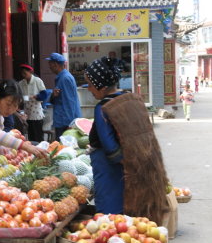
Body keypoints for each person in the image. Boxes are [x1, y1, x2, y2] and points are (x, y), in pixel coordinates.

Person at [85, 56, 168, 225]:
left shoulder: (103, 107)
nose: (89, 89)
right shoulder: (131, 99)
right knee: (130, 218)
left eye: (91, 84)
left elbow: (111, 149)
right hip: (137, 168)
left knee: (110, 219)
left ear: (101, 86)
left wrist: (98, 149)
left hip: (110, 172)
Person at [46, 53, 81, 141]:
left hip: (64, 122)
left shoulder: (65, 78)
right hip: (62, 120)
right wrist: (53, 95)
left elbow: (70, 102)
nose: (49, 66)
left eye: (50, 63)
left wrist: (70, 124)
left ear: (55, 64)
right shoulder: (62, 77)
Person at [18, 64, 47, 142]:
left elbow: (44, 94)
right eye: (22, 73)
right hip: (27, 111)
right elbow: (19, 96)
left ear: (30, 72)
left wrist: (36, 97)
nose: (24, 75)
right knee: (30, 133)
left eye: (25, 73)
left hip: (36, 110)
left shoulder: (37, 81)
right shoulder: (21, 83)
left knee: (38, 133)